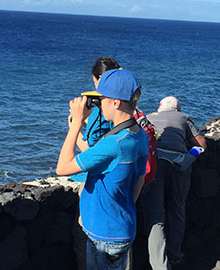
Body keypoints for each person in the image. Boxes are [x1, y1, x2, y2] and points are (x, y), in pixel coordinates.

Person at [56, 68, 150, 269]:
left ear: (116, 102)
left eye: (102, 100)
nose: (100, 105)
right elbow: (140, 179)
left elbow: (63, 167)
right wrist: (120, 207)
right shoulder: (140, 136)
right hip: (123, 226)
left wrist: (75, 126)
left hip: (104, 233)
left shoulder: (114, 143)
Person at [140, 96, 206, 269]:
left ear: (160, 108)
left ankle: (159, 264)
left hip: (154, 162)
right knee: (176, 209)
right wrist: (189, 156)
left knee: (155, 216)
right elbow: (202, 144)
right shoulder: (184, 118)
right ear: (178, 109)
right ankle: (175, 254)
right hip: (178, 164)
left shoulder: (150, 116)